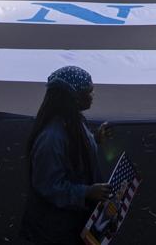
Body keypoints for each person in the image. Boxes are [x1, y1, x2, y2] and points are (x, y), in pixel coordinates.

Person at [20, 67, 110, 244]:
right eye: (89, 91)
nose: (93, 95)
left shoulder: (73, 119)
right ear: (74, 97)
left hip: (72, 220)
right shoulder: (51, 138)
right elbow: (48, 185)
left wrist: (94, 139)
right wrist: (86, 192)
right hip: (54, 229)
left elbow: (74, 153)